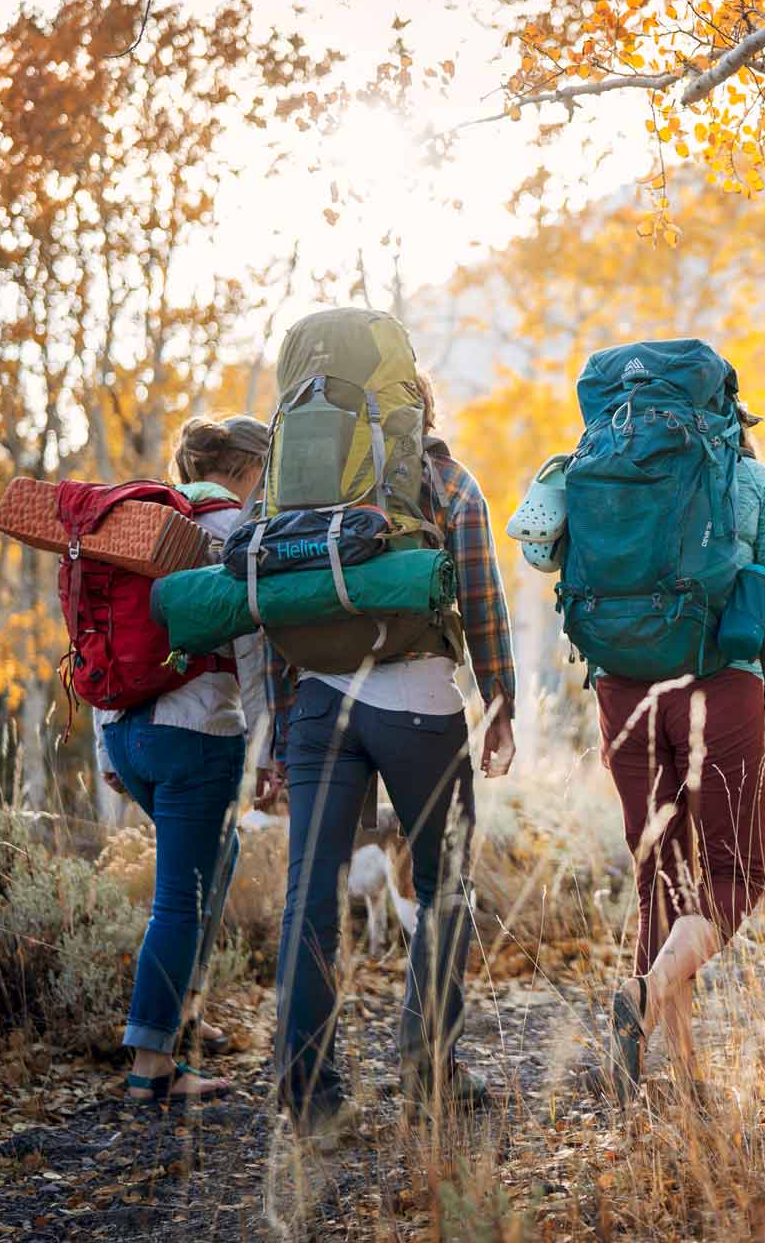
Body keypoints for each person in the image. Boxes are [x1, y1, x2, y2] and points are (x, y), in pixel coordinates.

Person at [267, 314, 517, 1140]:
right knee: (446, 889)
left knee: (311, 897)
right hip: (419, 707)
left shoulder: (287, 483)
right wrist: (500, 699)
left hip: (315, 708)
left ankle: (308, 1091)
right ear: (413, 405)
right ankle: (427, 1070)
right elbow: (480, 597)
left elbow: (276, 609)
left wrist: (278, 736)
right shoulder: (445, 481)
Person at [601, 412, 765, 1100]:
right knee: (736, 876)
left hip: (624, 691)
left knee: (662, 883)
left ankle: (686, 1072)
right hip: (721, 684)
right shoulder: (752, 481)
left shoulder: (603, 478)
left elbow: (542, 549)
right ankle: (643, 998)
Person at [94, 415, 274, 1102]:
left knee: (212, 867)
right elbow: (252, 646)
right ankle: (150, 1065)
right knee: (180, 899)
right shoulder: (234, 533)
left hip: (126, 731)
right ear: (251, 469)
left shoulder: (138, 522)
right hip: (199, 734)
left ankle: (179, 1022)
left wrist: (109, 729)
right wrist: (267, 749)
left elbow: (101, 633)